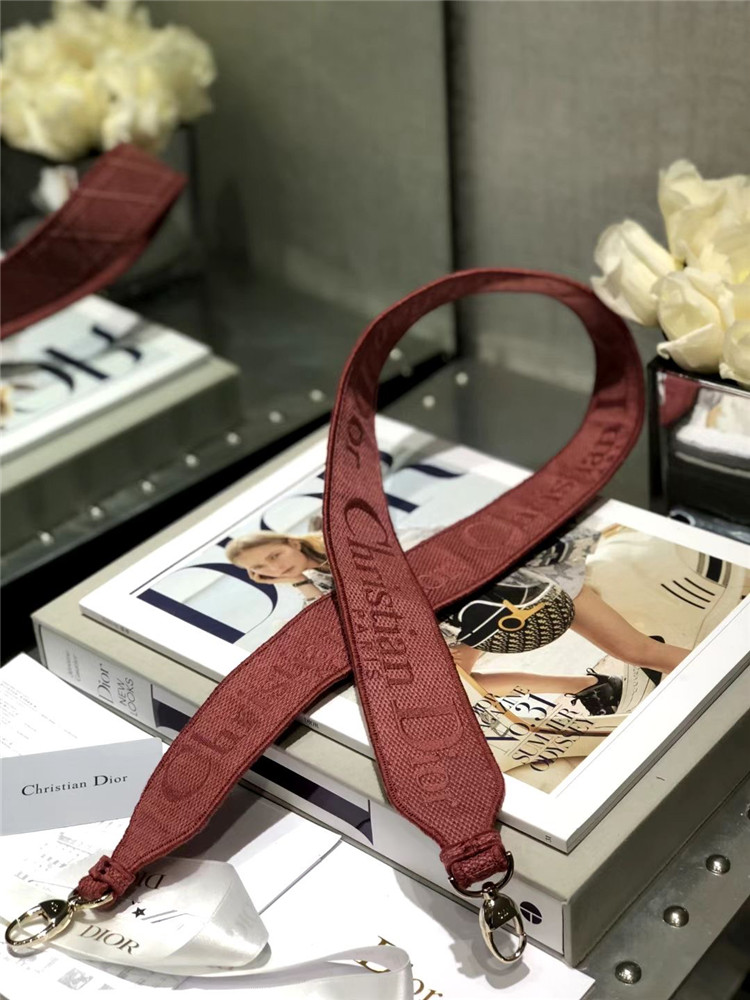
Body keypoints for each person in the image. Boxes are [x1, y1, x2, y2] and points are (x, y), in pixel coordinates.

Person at [226, 527, 691, 716]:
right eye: (262, 569)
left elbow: (439, 552)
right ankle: (587, 686)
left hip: (504, 588)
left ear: (290, 542)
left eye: (274, 555)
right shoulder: (314, 583)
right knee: (457, 684)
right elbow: (344, 623)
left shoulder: (346, 542)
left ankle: (713, 676)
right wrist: (298, 583)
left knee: (635, 650)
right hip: (463, 621)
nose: (274, 567)